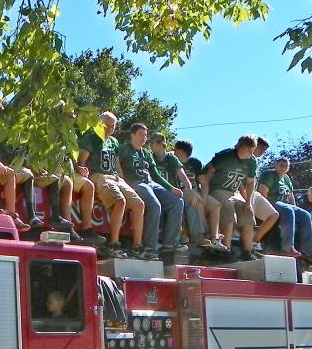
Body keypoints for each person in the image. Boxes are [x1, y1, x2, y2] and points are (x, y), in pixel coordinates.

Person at [77, 111, 148, 259]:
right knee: (120, 201)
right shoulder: (91, 138)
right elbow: (81, 161)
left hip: (115, 177)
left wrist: (121, 179)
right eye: (106, 126)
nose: (110, 129)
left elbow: (116, 163)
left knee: (139, 204)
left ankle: (137, 247)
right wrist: (81, 170)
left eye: (113, 126)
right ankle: (113, 245)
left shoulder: (114, 142)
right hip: (99, 175)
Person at [200, 135, 275, 261]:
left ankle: (247, 251)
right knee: (228, 209)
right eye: (249, 150)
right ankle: (226, 249)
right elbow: (207, 171)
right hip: (217, 189)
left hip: (233, 192)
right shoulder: (226, 156)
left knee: (247, 212)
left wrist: (248, 202)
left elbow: (250, 182)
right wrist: (204, 191)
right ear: (241, 146)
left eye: (252, 150)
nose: (250, 153)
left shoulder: (251, 161)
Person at [116, 123, 187, 256]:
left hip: (150, 183)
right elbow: (116, 165)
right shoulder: (123, 149)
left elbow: (156, 175)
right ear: (132, 135)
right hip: (135, 183)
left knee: (177, 202)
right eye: (140, 134)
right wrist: (121, 181)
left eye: (145, 135)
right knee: (155, 205)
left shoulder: (147, 153)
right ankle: (150, 247)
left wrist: (171, 188)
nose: (144, 137)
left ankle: (170, 243)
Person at [149, 135, 222, 249]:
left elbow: (182, 175)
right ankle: (178, 235)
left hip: (172, 190)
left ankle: (197, 235)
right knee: (177, 202)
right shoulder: (149, 156)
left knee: (191, 200)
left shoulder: (171, 158)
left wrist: (191, 192)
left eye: (152, 143)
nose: (150, 146)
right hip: (157, 189)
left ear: (161, 144)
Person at [258, 157, 312, 261]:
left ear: (288, 168)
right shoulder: (269, 175)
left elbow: (291, 197)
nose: (283, 168)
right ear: (276, 165)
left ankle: (307, 251)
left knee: (305, 215)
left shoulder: (286, 179)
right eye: (281, 165)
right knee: (288, 210)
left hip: (284, 205)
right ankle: (287, 248)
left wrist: (296, 210)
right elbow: (262, 194)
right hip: (269, 202)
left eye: (285, 166)